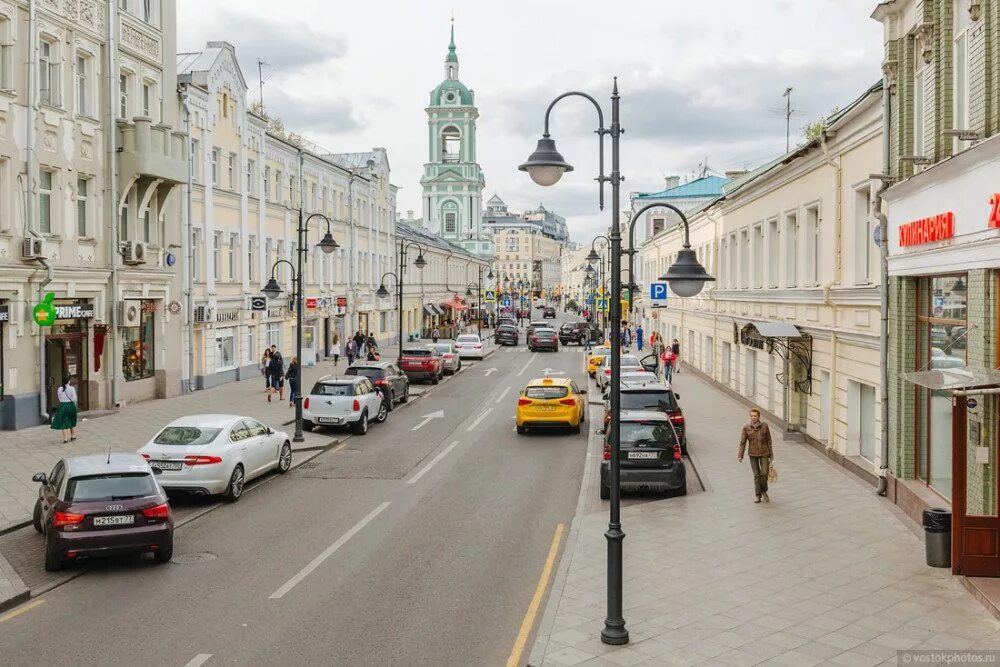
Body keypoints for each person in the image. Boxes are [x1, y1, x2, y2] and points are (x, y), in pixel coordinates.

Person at [738, 408, 774, 503]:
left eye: (755, 416)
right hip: (752, 454)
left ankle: (764, 491)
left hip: (764, 453)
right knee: (757, 475)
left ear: (758, 416)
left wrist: (771, 455)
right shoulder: (746, 428)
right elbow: (742, 442)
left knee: (764, 474)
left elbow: (769, 441)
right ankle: (758, 495)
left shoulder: (764, 426)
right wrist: (740, 455)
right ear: (750, 416)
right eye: (752, 416)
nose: (753, 417)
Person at [51, 376, 78, 443]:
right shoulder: (71, 388)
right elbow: (74, 398)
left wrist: (63, 401)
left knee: (63, 422)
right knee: (72, 420)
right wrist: (74, 404)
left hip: (62, 405)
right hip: (70, 405)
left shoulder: (59, 389)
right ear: (69, 381)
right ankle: (73, 436)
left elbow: (59, 398)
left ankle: (65, 438)